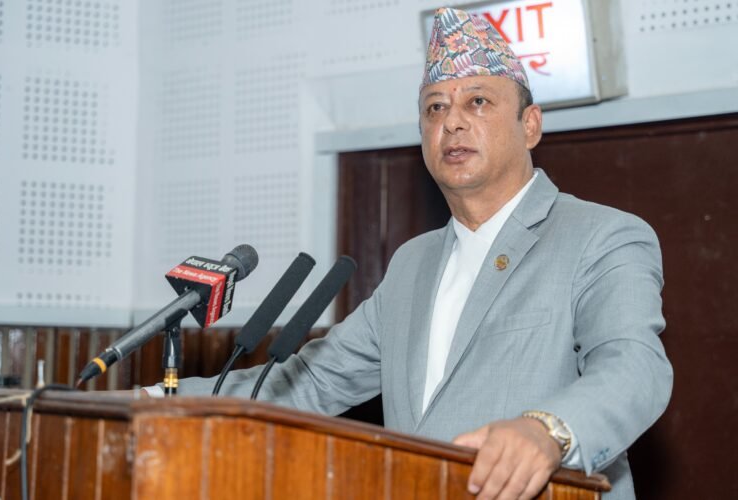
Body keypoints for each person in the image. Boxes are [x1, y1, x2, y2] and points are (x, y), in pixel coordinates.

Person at [147, 7, 672, 499]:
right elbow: (311, 381)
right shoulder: (412, 264)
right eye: (435, 107)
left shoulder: (601, 237)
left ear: (530, 124)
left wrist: (549, 431)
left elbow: (635, 368)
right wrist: (153, 402)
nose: (453, 122)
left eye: (478, 102)